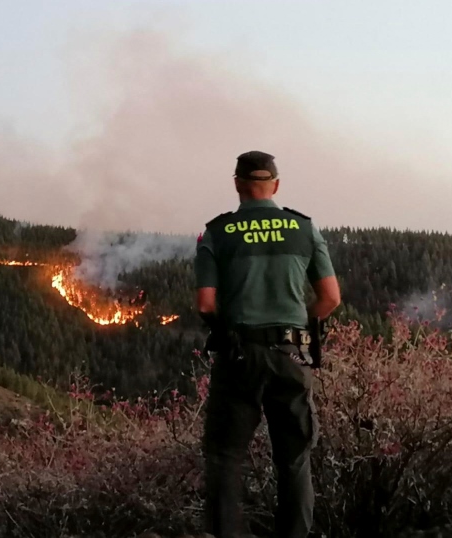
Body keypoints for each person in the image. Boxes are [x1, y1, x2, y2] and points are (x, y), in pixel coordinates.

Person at [194, 151, 341, 538]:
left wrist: (224, 328)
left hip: (239, 355)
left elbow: (206, 303)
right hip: (292, 354)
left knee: (225, 456)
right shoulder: (304, 228)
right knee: (294, 458)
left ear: (238, 184)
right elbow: (330, 298)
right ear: (275, 185)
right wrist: (302, 326)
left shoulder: (217, 232)